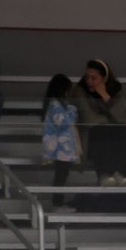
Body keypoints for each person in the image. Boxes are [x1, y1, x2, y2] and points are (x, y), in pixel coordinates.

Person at [73, 59, 126, 187]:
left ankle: (120, 172)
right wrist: (109, 117)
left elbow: (122, 116)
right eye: (87, 77)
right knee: (102, 129)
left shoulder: (114, 88)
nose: (89, 81)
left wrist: (105, 96)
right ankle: (104, 173)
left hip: (112, 132)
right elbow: (88, 118)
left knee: (122, 130)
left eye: (94, 78)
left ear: (104, 79)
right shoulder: (80, 91)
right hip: (90, 134)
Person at [42, 74, 79, 210]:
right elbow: (62, 122)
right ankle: (57, 201)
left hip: (63, 146)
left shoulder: (57, 104)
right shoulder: (55, 104)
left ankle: (58, 200)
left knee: (62, 174)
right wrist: (72, 109)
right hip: (60, 147)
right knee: (61, 175)